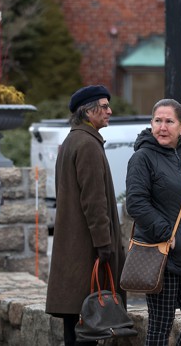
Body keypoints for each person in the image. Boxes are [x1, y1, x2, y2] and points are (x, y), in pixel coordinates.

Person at [126, 99, 181, 345]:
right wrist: (166, 233)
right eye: (157, 121)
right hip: (163, 255)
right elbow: (136, 203)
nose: (162, 127)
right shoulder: (142, 158)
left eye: (169, 121)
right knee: (160, 327)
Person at [46, 85, 126, 346]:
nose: (109, 111)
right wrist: (104, 244)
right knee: (87, 325)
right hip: (87, 249)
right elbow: (94, 201)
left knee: (76, 324)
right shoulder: (87, 144)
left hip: (74, 247)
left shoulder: (72, 141)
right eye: (104, 107)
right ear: (88, 111)